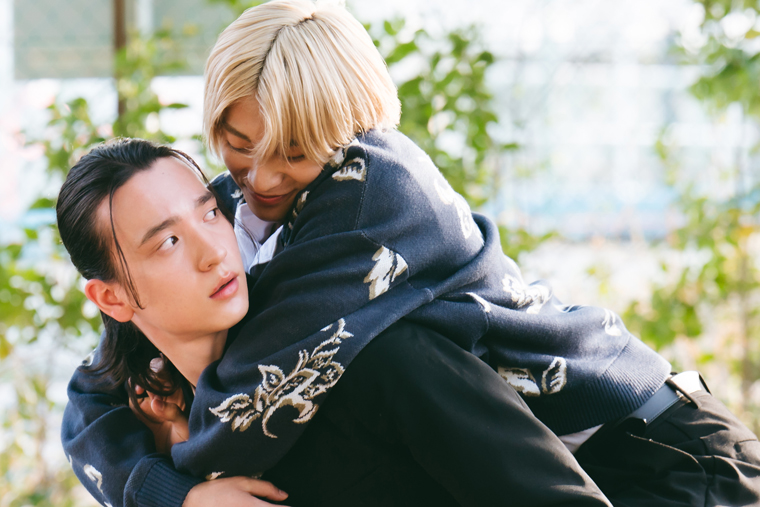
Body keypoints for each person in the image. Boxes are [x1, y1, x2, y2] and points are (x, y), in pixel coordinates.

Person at [62, 0, 760, 505]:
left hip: (661, 453)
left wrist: (179, 472)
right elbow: (91, 393)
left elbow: (256, 399)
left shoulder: (372, 199)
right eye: (239, 147)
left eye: (294, 154)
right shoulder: (223, 211)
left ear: (349, 133)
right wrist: (169, 490)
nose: (262, 180)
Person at [58, 138, 610, 507]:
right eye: (169, 243)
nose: (213, 252)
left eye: (211, 213)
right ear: (111, 298)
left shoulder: (375, 358)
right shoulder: (155, 421)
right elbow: (87, 400)